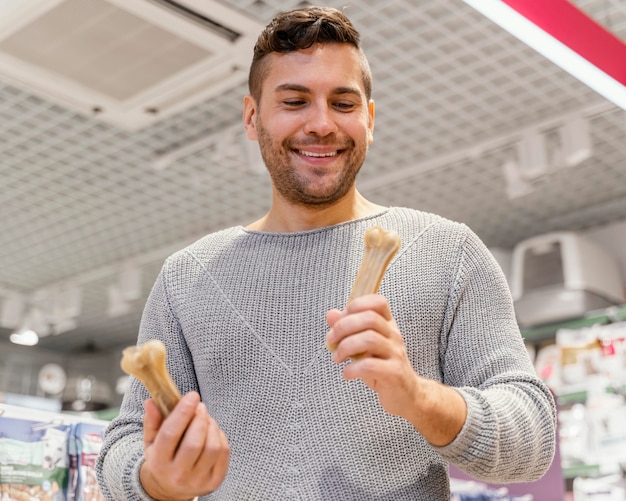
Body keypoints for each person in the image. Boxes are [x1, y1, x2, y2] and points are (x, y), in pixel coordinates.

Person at [96, 6, 557, 500]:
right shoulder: (189, 278)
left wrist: (417, 395)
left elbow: (532, 441)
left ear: (370, 118)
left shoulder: (447, 252)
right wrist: (155, 480)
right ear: (252, 118)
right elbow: (123, 445)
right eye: (294, 101)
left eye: (343, 103)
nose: (321, 124)